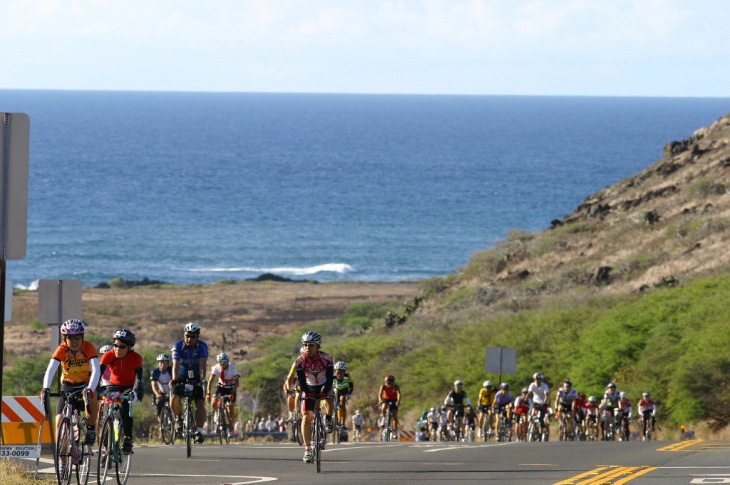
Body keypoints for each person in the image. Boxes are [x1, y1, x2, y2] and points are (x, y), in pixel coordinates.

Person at [41, 319, 101, 458]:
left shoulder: (88, 347)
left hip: (86, 383)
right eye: (70, 338)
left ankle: (91, 429)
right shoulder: (62, 349)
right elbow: (51, 369)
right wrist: (45, 388)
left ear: (82, 338)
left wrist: (90, 389)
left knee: (92, 396)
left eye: (77, 338)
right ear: (65, 339)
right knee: (59, 424)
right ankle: (62, 463)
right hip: (68, 385)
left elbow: (96, 369)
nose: (74, 341)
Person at [99, 329, 144, 454]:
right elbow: (98, 374)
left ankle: (128, 439)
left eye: (121, 346)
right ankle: (106, 434)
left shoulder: (136, 358)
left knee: (125, 407)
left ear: (129, 347)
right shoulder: (108, 355)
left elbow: (138, 378)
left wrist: (136, 391)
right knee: (106, 407)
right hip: (113, 385)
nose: (117, 349)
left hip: (129, 386)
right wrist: (96, 388)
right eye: (115, 345)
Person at [294, 331, 334, 463]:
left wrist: (325, 391)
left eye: (311, 345)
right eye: (305, 345)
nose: (307, 348)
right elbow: (301, 381)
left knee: (329, 395)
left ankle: (328, 419)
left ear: (318, 346)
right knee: (306, 416)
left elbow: (329, 379)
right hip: (309, 386)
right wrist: (307, 393)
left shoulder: (327, 358)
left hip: (324, 384)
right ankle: (307, 450)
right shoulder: (300, 361)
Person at [170, 322, 208, 444]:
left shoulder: (202, 346)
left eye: (193, 336)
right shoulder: (178, 346)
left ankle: (198, 431)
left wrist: (202, 379)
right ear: (184, 335)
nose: (189, 339)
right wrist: (175, 379)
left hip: (196, 377)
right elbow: (175, 365)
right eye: (187, 336)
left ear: (198, 336)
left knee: (200, 404)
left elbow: (203, 365)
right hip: (181, 376)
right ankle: (179, 418)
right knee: (174, 398)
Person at [206, 352, 240, 439]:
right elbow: (210, 381)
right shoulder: (216, 368)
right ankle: (217, 413)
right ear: (218, 361)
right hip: (221, 387)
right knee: (214, 402)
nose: (222, 363)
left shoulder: (232, 368)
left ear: (227, 361)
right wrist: (208, 393)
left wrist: (232, 392)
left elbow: (237, 383)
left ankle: (231, 428)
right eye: (220, 361)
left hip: (231, 388)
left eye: (224, 361)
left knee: (230, 407)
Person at [150, 353, 173, 427]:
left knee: (174, 404)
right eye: (161, 362)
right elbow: (153, 384)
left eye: (165, 362)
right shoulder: (155, 372)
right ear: (158, 363)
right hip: (161, 392)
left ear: (168, 363)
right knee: (158, 404)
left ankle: (176, 419)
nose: (163, 364)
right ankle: (161, 422)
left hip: (172, 391)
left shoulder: (171, 370)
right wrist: (157, 394)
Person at [527, 372, 551, 441]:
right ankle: (530, 425)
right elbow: (529, 393)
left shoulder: (544, 386)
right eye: (536, 379)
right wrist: (525, 399)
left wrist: (544, 402)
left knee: (541, 419)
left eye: (539, 379)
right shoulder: (532, 385)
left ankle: (540, 434)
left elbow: (546, 395)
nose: (537, 381)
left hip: (543, 403)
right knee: (531, 413)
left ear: (541, 380)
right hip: (535, 402)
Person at [333, 361, 354, 428]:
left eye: (341, 372)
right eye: (338, 372)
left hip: (343, 391)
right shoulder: (332, 376)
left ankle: (343, 423)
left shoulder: (347, 375)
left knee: (342, 403)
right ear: (335, 371)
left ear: (344, 371)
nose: (339, 374)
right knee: (334, 406)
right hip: (335, 390)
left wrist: (348, 394)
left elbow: (351, 386)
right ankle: (334, 422)